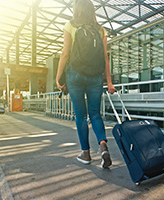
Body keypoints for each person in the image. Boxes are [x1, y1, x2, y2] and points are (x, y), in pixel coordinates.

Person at [56, 0, 115, 168]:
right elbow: (105, 58)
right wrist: (109, 82)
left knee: (81, 116)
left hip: (75, 75)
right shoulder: (101, 29)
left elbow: (65, 53)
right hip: (95, 77)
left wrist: (58, 77)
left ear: (76, 9)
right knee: (95, 113)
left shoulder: (70, 25)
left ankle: (86, 153)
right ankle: (103, 145)